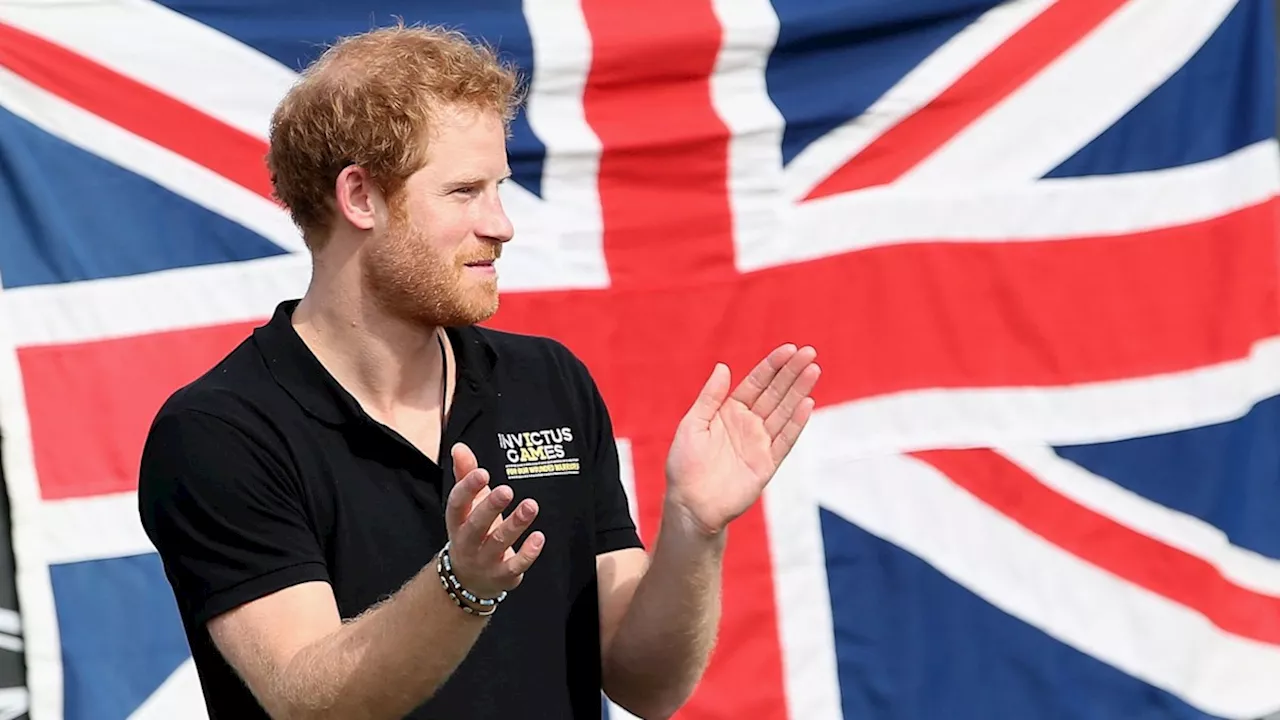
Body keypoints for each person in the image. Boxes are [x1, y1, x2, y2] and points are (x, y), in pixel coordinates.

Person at [137, 22, 820, 720]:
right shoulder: (219, 431)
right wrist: (461, 585)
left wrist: (692, 529)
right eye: (464, 191)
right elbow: (311, 702)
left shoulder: (548, 382)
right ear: (360, 198)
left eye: (499, 187)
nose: (501, 224)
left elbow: (646, 684)